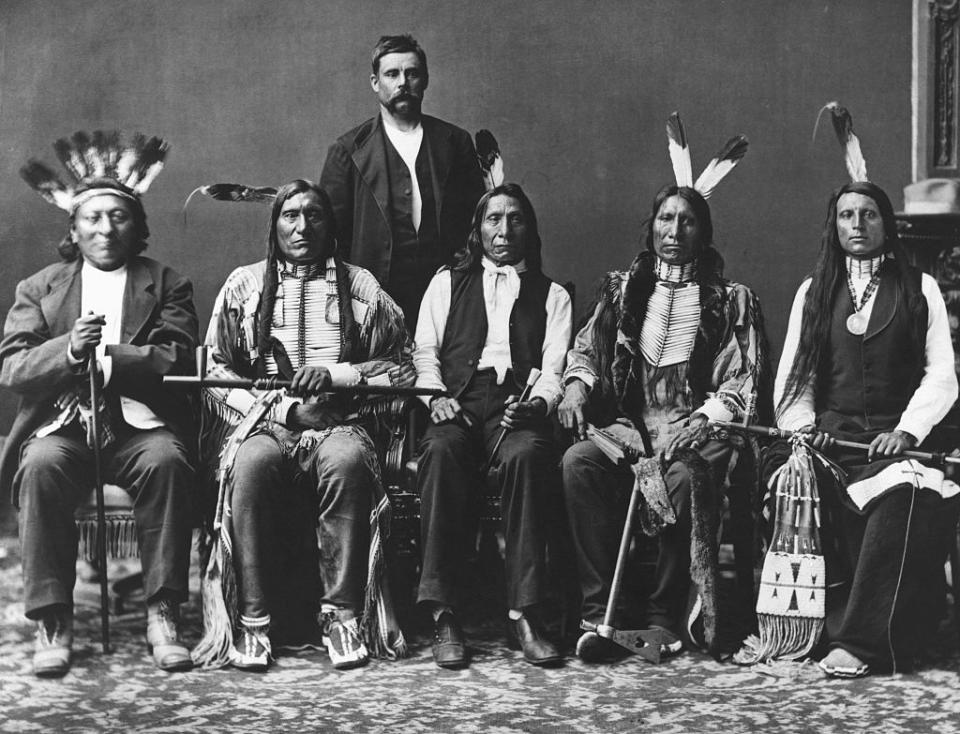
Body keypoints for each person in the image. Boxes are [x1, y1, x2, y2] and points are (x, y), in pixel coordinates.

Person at [192, 179, 412, 672]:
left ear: (330, 225)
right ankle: (252, 620)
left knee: (348, 459)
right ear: (274, 227)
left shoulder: (362, 288)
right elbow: (216, 371)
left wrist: (339, 376)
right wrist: (284, 412)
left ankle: (344, 616)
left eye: (314, 215)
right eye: (290, 215)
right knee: (250, 464)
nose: (302, 225)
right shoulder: (244, 286)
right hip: (265, 423)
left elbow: (401, 363)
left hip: (341, 422)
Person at [1, 133, 198, 676]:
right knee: (39, 466)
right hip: (64, 427)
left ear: (137, 226)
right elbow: (13, 367)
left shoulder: (166, 284)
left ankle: (163, 611)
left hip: (138, 426)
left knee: (168, 462)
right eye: (93, 218)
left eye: (118, 217)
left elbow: (178, 358)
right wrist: (67, 350)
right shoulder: (39, 288)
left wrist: (109, 357)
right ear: (73, 228)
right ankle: (53, 619)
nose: (106, 228)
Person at [559, 174, 769, 662]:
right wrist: (574, 387)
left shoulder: (730, 299)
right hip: (629, 431)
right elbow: (588, 352)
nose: (674, 230)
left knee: (682, 478)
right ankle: (600, 613)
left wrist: (699, 418)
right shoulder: (621, 291)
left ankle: (662, 615)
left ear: (704, 232)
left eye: (688, 220)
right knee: (578, 463)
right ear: (651, 226)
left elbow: (743, 382)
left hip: (698, 432)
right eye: (666, 218)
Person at [771, 180, 959, 677]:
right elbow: (796, 378)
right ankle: (846, 633)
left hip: (902, 447)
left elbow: (942, 375)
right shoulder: (814, 291)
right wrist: (803, 429)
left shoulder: (921, 288)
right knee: (851, 494)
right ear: (834, 227)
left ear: (886, 223)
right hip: (838, 444)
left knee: (906, 497)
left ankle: (863, 643)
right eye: (847, 216)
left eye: (869, 214)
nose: (858, 225)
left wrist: (908, 432)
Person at [413, 183, 572, 668]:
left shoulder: (554, 295)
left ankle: (524, 611)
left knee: (526, 456)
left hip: (516, 407)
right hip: (457, 400)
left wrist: (540, 405)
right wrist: (435, 396)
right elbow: (424, 351)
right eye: (493, 219)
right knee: (440, 453)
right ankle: (444, 614)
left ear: (530, 228)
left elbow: (554, 369)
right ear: (478, 228)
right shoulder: (448, 282)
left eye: (515, 219)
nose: (503, 230)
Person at [320, 34, 486, 329]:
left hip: (446, 292)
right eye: (392, 74)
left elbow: (475, 222)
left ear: (425, 80)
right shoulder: (347, 150)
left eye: (412, 73)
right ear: (375, 82)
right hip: (372, 298)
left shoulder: (455, 143)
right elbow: (330, 238)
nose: (403, 82)